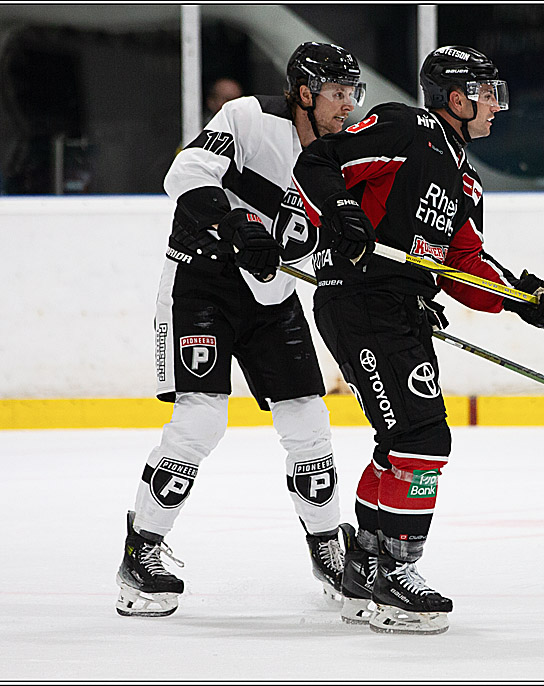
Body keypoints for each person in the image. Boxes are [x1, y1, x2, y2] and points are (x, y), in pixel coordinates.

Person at [292, 46, 544, 635]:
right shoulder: (406, 126)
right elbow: (320, 161)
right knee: (423, 436)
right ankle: (396, 576)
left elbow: (464, 265)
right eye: (486, 93)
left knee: (401, 440)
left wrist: (527, 298)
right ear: (455, 98)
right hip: (362, 299)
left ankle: (366, 566)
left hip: (403, 311)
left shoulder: (465, 179)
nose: (495, 105)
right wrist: (343, 212)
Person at [116, 42, 368, 618]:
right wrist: (234, 224)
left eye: (352, 92)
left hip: (271, 296)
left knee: (309, 422)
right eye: (336, 93)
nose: (347, 104)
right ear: (303, 93)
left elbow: (330, 240)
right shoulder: (248, 116)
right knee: (200, 421)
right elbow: (185, 171)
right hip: (200, 285)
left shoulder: (343, 153)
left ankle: (327, 547)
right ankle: (141, 549)